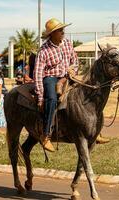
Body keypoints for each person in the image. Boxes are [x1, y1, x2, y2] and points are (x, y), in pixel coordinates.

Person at [34, 18, 78, 152]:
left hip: (67, 76)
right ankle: (46, 135)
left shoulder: (67, 44)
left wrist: (73, 70)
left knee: (87, 91)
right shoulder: (43, 51)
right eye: (60, 30)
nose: (63, 32)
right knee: (52, 99)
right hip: (51, 78)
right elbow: (38, 74)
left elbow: (75, 60)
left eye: (62, 30)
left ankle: (94, 131)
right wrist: (40, 97)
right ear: (51, 34)